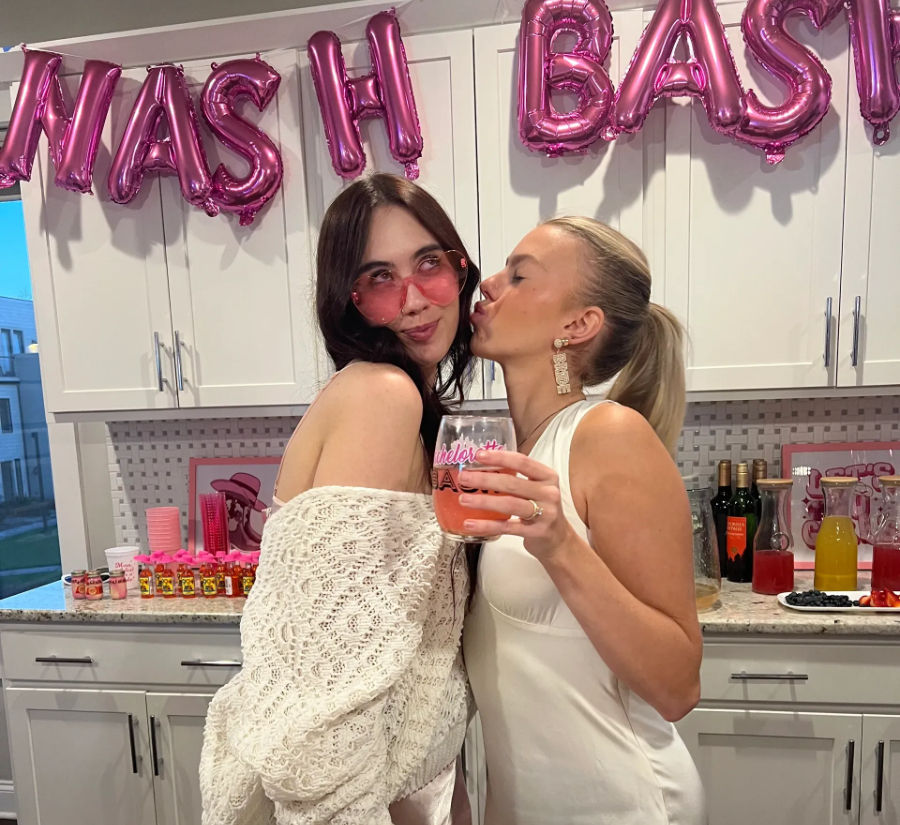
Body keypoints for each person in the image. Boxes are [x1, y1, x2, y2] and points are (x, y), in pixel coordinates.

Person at [200, 174, 479, 825]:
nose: (413, 299)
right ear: (349, 300)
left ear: (460, 270)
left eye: (430, 263)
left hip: (401, 786)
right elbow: (334, 673)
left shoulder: (400, 400)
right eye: (381, 278)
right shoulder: (384, 395)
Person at [460, 217, 705, 824]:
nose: (487, 285)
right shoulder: (510, 449)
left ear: (577, 324)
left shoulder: (609, 435)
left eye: (519, 276)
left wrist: (561, 545)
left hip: (622, 805)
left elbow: (678, 687)